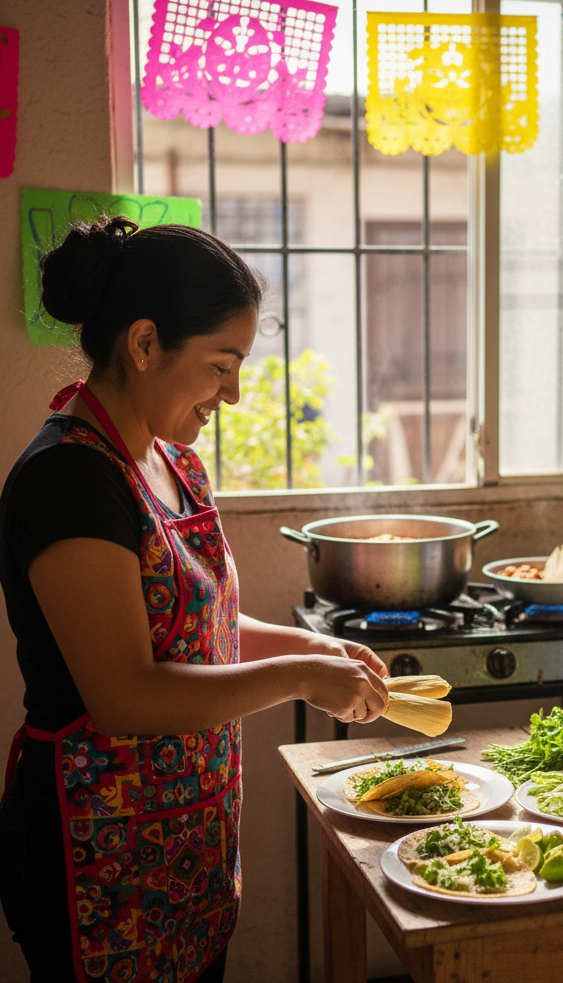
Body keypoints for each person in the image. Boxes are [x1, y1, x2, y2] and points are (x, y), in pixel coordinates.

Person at [0, 216, 389, 983]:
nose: (235, 394)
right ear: (144, 344)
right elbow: (126, 693)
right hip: (98, 856)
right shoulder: (69, 480)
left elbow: (200, 629)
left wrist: (313, 647)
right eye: (222, 364)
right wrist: (304, 681)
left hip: (181, 850)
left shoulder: (168, 459)